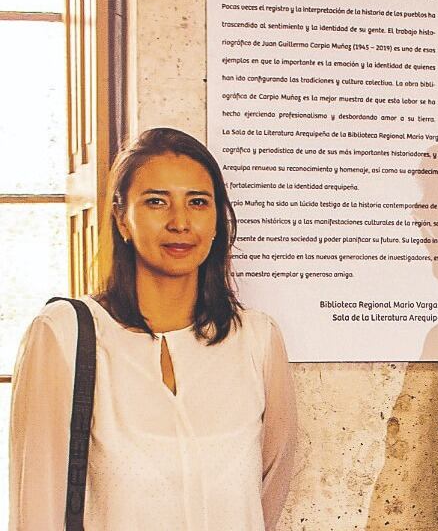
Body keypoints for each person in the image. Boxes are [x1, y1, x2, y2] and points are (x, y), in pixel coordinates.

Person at [9, 127, 297, 530]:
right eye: (156, 202)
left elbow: (267, 488)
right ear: (121, 219)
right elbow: (36, 505)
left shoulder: (258, 340)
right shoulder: (63, 335)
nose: (180, 222)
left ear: (217, 221)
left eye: (198, 202)